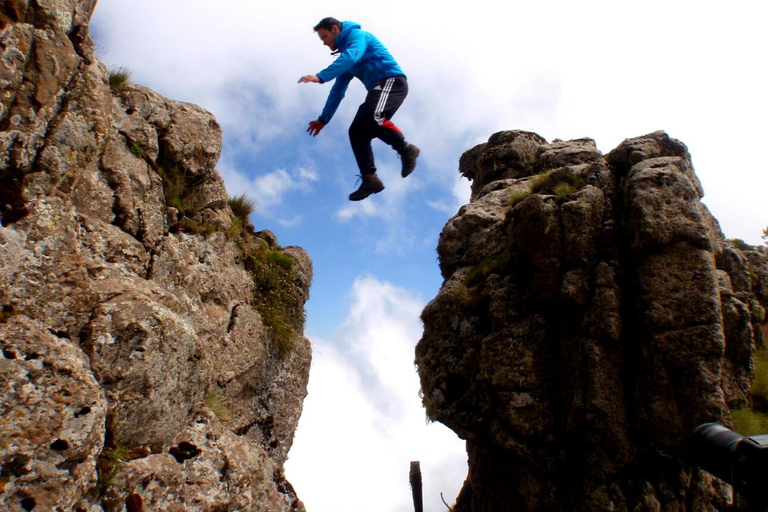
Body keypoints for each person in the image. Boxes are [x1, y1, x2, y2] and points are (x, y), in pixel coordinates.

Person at [298, 17, 420, 201]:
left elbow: (353, 55)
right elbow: (337, 91)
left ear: (335, 29)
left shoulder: (358, 36)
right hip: (378, 88)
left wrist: (320, 76)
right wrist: (324, 119)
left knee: (374, 116)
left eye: (324, 37)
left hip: (392, 82)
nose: (324, 43)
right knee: (356, 131)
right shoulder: (345, 59)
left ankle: (406, 148)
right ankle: (370, 178)